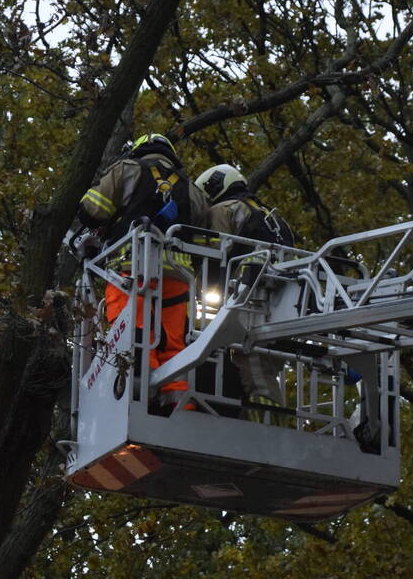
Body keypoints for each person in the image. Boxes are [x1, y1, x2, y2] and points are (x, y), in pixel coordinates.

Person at [76, 134, 209, 414]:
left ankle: (138, 397)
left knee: (134, 335)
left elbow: (92, 210)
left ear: (139, 150)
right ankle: (178, 406)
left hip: (131, 273)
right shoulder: (194, 191)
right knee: (175, 344)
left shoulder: (127, 169)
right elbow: (205, 237)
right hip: (178, 279)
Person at [193, 164, 295, 416]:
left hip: (248, 302)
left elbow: (212, 260)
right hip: (283, 308)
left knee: (255, 373)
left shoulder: (223, 210)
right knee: (264, 371)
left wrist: (203, 292)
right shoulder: (276, 219)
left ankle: (269, 427)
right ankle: (263, 420)